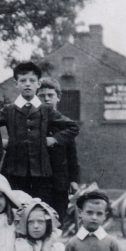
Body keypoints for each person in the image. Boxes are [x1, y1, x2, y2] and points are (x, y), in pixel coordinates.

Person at [0, 61, 79, 207]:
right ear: (16, 83)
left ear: (38, 84)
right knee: (16, 211)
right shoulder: (8, 110)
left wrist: (54, 139)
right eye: (23, 80)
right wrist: (0, 142)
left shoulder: (46, 110)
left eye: (32, 80)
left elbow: (73, 127)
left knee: (42, 211)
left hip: (42, 175)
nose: (27, 84)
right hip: (14, 173)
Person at [37, 77, 80, 222]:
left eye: (51, 95)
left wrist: (74, 180)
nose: (47, 99)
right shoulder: (32, 122)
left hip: (59, 182)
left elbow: (72, 155)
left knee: (57, 220)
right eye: (42, 96)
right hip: (37, 181)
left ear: (59, 97)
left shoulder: (65, 124)